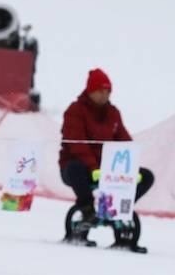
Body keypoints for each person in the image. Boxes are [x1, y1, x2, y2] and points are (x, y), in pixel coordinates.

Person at [59, 68, 154, 249]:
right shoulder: (75, 111)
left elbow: (124, 142)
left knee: (147, 176)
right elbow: (78, 145)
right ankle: (87, 210)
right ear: (90, 91)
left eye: (107, 91)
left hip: (107, 170)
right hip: (80, 167)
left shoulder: (113, 113)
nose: (104, 95)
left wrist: (132, 170)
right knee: (75, 168)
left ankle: (119, 208)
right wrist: (94, 168)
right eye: (100, 91)